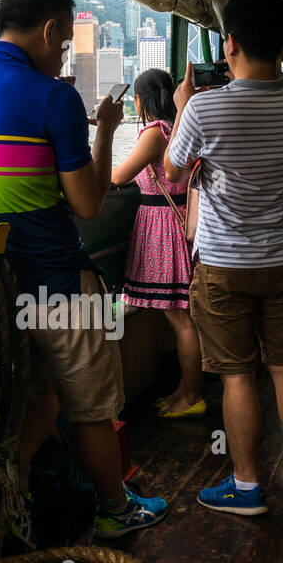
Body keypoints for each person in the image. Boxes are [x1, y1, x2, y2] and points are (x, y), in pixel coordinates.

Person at [0, 0, 168, 543]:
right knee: (90, 408)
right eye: (64, 43)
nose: (62, 53)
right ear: (47, 30)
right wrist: (106, 132)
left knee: (38, 399)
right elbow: (89, 204)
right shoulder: (54, 97)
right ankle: (114, 510)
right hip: (58, 285)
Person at [163, 0, 283, 516]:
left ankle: (248, 485)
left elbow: (170, 170)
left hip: (223, 265)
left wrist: (185, 107)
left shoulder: (205, 109)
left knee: (238, 376)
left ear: (229, 43)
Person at [110, 68, 204, 419]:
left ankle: (193, 395)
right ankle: (184, 390)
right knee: (182, 316)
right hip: (179, 221)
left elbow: (120, 176)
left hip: (162, 228)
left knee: (182, 321)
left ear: (139, 100)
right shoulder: (177, 128)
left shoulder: (155, 132)